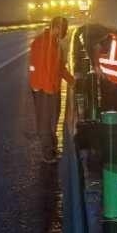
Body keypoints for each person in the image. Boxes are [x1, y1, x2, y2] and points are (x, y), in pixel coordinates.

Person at [29, 17, 75, 163]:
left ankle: (53, 149)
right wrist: (48, 88)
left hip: (52, 88)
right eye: (65, 29)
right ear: (58, 28)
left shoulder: (54, 43)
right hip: (44, 89)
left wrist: (71, 80)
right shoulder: (42, 42)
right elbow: (39, 68)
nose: (66, 33)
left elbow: (59, 67)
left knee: (53, 120)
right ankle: (48, 154)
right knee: (45, 122)